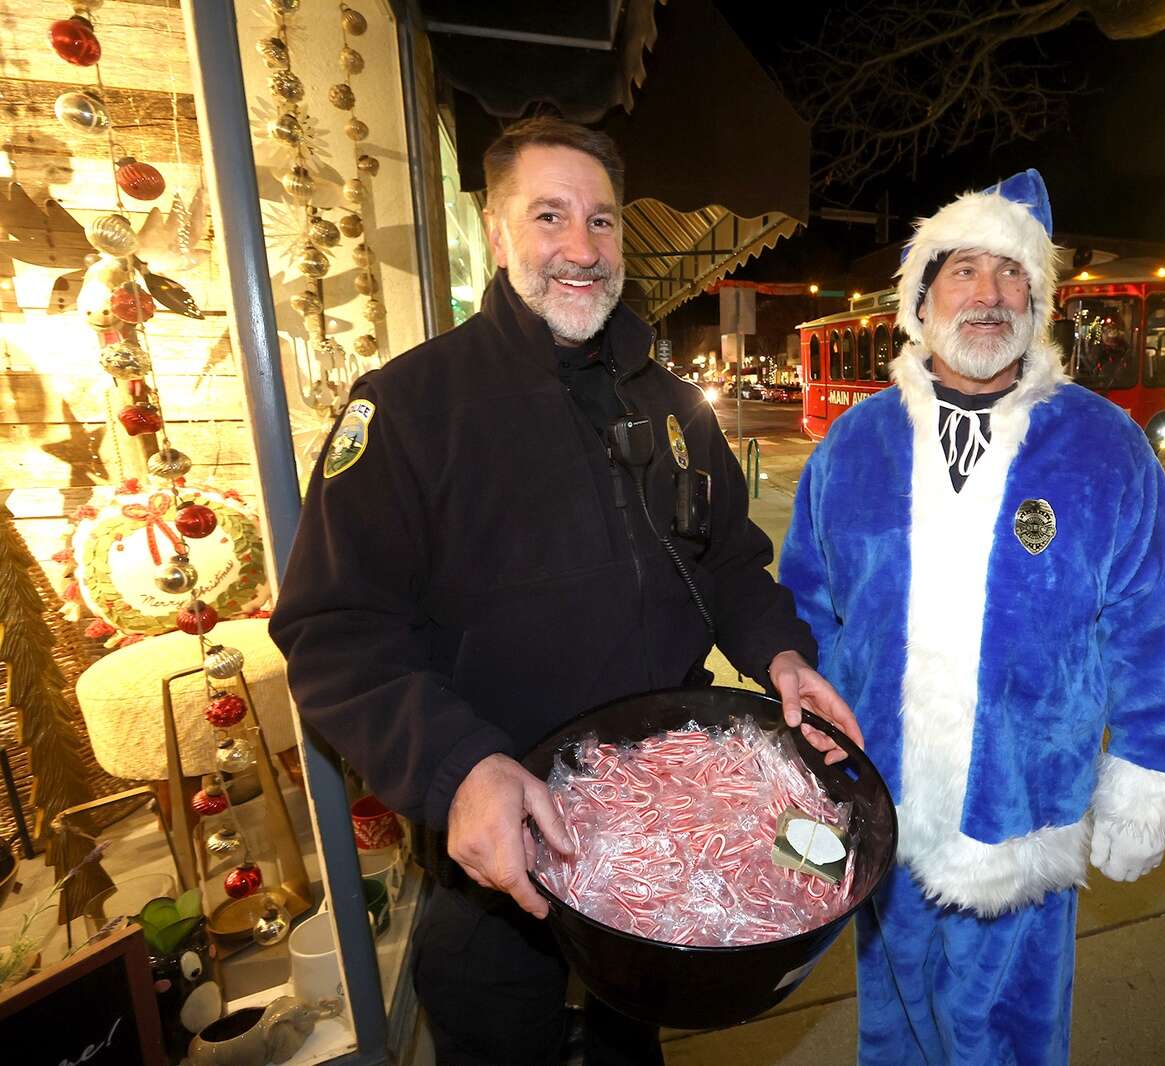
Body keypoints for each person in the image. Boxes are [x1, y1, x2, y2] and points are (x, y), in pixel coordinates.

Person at [269, 116, 861, 1066]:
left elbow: (728, 562)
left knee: (633, 1045)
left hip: (653, 825)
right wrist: (459, 765)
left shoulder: (671, 406)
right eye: (549, 217)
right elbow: (335, 630)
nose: (581, 249)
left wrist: (782, 653)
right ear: (499, 236)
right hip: (498, 844)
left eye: (602, 220)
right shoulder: (414, 405)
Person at [779, 170, 1165, 1064]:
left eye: (1011, 273)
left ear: (1038, 301)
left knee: (1004, 1040)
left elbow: (1156, 624)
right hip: (880, 804)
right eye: (963, 269)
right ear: (922, 297)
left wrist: (1148, 771)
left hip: (1022, 820)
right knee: (891, 1032)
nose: (988, 294)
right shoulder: (853, 445)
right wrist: (801, 754)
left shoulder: (1105, 446)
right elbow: (805, 606)